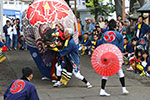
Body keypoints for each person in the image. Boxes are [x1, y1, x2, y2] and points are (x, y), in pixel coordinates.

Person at [100, 19, 129, 96]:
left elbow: (102, 44)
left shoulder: (104, 34)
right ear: (115, 26)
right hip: (115, 54)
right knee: (119, 71)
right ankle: (124, 88)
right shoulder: (118, 35)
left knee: (106, 72)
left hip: (106, 55)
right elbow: (121, 46)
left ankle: (102, 89)